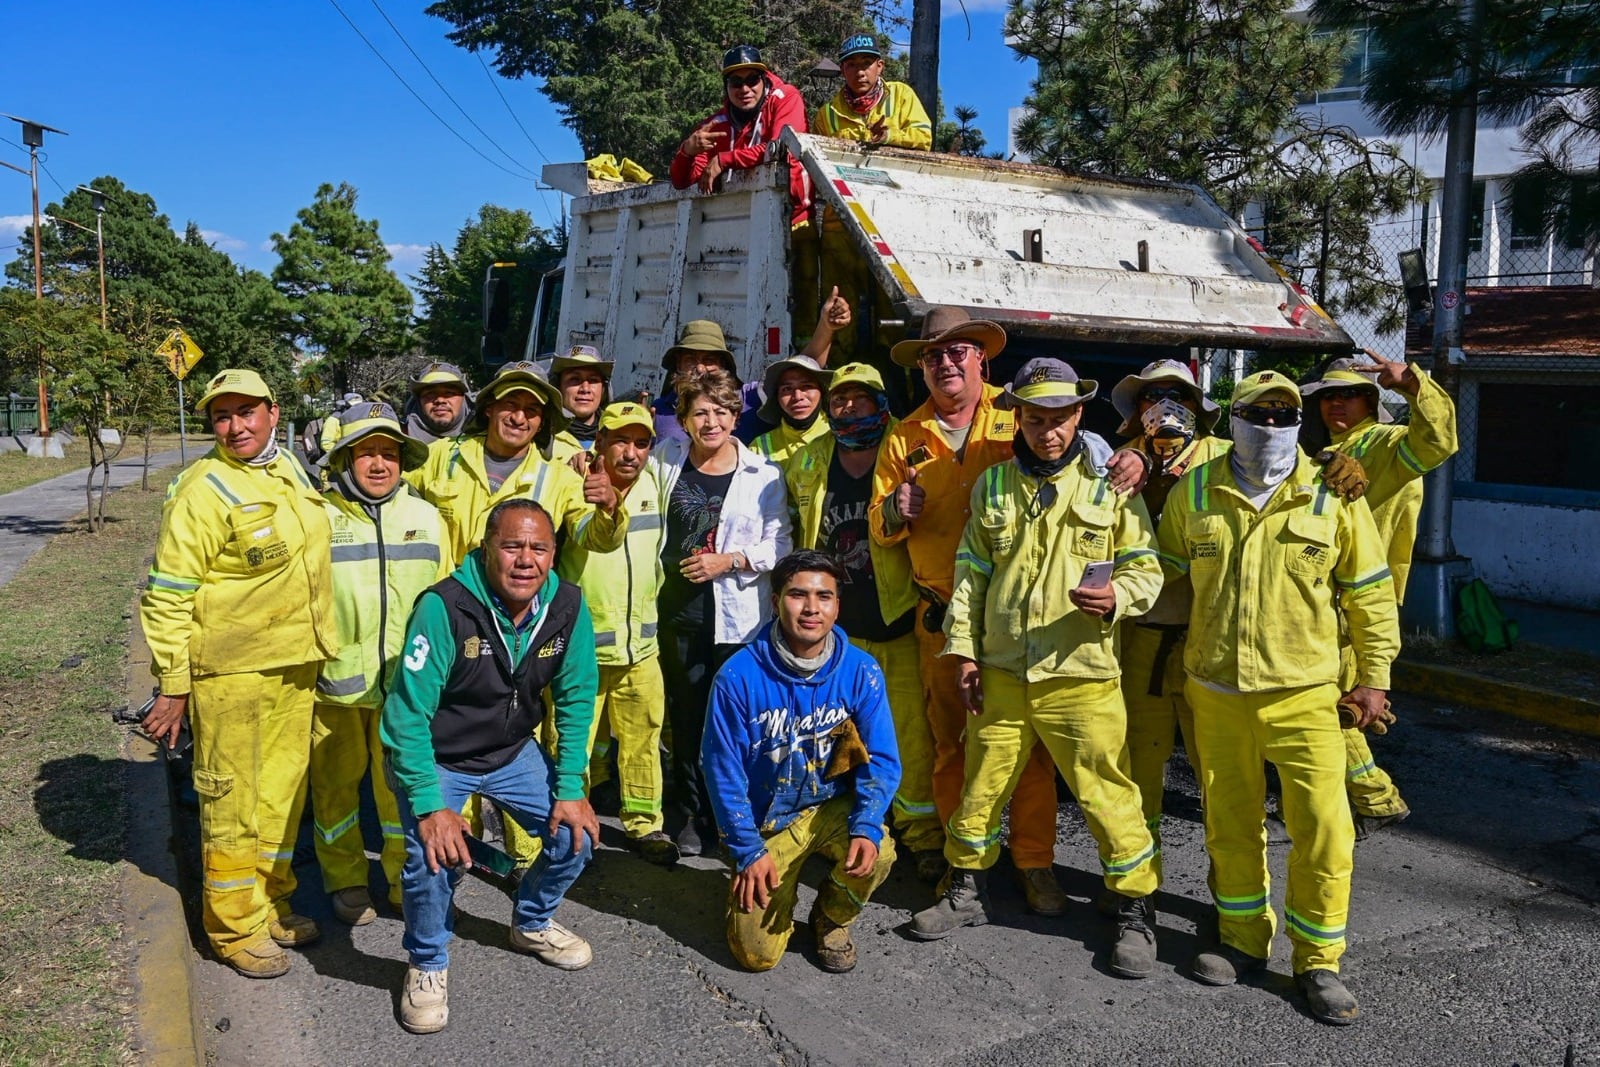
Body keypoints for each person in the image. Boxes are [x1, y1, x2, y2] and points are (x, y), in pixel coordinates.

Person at [870, 306, 1146, 916]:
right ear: (921, 367)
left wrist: (1138, 458)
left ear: (980, 359)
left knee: (1033, 756)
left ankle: (1032, 862)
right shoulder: (904, 435)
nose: (945, 363)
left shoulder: (1021, 407)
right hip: (946, 618)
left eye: (957, 351)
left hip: (1033, 626)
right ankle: (963, 864)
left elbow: (1092, 456)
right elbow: (878, 524)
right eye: (932, 355)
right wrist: (895, 510)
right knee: (956, 749)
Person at [1156, 370, 1400, 1025]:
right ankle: (1241, 938)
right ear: (1232, 419)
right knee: (1230, 821)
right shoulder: (1195, 490)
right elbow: (1159, 567)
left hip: (1307, 693)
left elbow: (1370, 591)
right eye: (1256, 414)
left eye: (1282, 415)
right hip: (1216, 691)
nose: (1269, 425)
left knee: (1324, 828)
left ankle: (1317, 960)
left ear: (1298, 422)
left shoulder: (1333, 490)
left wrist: (1374, 677)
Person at [911, 358, 1165, 981]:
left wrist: (1118, 596)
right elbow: (971, 575)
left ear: (1078, 416)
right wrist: (964, 652)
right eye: (1034, 420)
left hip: (1081, 674)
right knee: (980, 786)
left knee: (1107, 793)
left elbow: (1145, 566)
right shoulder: (993, 486)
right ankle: (966, 888)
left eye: (1059, 419)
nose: (1047, 432)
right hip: (1001, 672)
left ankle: (1135, 909)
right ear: (1017, 419)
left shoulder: (1111, 486)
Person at [139, 368, 337, 978]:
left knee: (281, 793)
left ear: (273, 413)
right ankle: (231, 927)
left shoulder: (288, 470)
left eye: (246, 412)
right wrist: (174, 684)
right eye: (221, 416)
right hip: (230, 673)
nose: (235, 426)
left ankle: (270, 901)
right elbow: (168, 595)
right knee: (231, 800)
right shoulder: (202, 490)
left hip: (294, 663)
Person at [381, 499, 603, 1034]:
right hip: (438, 756)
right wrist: (430, 806)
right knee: (433, 856)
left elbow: (576, 698)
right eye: (511, 546)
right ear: (486, 550)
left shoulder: (567, 606)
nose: (526, 560)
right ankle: (427, 961)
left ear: (553, 553)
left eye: (539, 548)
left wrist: (571, 788)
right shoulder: (443, 608)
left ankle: (531, 921)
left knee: (576, 836)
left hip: (510, 752)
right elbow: (406, 717)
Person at [702, 550, 901, 973]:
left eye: (824, 596)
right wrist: (747, 850)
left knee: (879, 850)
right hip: (767, 824)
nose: (812, 608)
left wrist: (867, 824)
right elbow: (722, 772)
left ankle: (831, 916)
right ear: (776, 602)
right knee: (756, 957)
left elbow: (882, 760)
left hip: (830, 808)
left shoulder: (861, 670)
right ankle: (771, 885)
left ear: (837, 606)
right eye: (798, 595)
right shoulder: (737, 678)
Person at [785, 361, 943, 881]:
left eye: (862, 398)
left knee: (909, 737)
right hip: (835, 631)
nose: (849, 407)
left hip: (895, 619)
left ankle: (921, 835)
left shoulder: (906, 448)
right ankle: (836, 829)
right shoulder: (809, 458)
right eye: (840, 399)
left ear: (882, 402)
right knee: (831, 736)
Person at [1301, 352, 1458, 838]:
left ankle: (1376, 799)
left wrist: (1412, 384)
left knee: (1322, 703)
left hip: (1357, 599)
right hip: (1330, 596)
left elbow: (1436, 441)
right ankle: (1365, 797)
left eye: (1350, 394)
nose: (1336, 403)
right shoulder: (1329, 449)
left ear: (1371, 402)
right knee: (1330, 701)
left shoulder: (1385, 443)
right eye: (1329, 395)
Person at [310, 402, 445, 925]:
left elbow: (445, 604)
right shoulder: (318, 517)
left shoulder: (427, 518)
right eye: (366, 452)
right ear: (345, 459)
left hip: (407, 692)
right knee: (335, 790)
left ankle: (401, 879)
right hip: (334, 687)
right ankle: (344, 878)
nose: (379, 463)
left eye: (388, 452)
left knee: (401, 793)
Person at [651, 368, 793, 856]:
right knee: (687, 713)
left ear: (735, 416)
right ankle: (692, 812)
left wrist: (729, 560)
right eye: (699, 413)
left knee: (735, 717)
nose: (710, 422)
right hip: (678, 610)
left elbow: (780, 544)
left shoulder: (763, 474)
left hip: (737, 617)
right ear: (684, 421)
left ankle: (731, 812)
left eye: (719, 411)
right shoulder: (664, 460)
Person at [1109, 360, 1227, 863]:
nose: (1163, 406)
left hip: (1208, 639)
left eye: (1177, 395)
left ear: (1198, 405)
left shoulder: (1228, 459)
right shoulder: (1118, 463)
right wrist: (1138, 463)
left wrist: (1332, 462)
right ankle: (1140, 878)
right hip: (1144, 637)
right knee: (1140, 760)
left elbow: (1283, 466)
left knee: (1218, 767)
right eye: (1151, 395)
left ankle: (1232, 878)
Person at [556, 401, 678, 866]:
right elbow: (592, 536)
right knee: (572, 745)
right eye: (620, 441)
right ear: (600, 442)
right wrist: (605, 503)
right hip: (583, 648)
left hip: (641, 647)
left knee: (643, 739)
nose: (631, 453)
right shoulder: (576, 482)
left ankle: (646, 824)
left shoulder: (656, 481)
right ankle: (573, 829)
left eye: (641, 443)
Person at [409, 360, 626, 570]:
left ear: (541, 422)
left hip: (518, 593)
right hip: (450, 591)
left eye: (532, 410)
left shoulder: (560, 479)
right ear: (489, 408)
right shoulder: (440, 455)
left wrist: (609, 507)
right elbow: (397, 502)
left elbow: (596, 540)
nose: (519, 418)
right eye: (510, 404)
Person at [651, 294, 851, 445]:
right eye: (690, 360)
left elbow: (804, 367)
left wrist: (826, 327)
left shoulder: (750, 399)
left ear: (723, 366)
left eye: (709, 360)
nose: (700, 368)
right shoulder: (658, 411)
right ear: (678, 365)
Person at [670, 45, 811, 227]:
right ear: (726, 86)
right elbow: (682, 182)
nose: (744, 89)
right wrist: (686, 152)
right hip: (741, 226)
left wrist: (724, 160)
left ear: (764, 79)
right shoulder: (715, 125)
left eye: (752, 80)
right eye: (736, 82)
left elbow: (781, 150)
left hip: (794, 221)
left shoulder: (785, 98)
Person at [810, 35, 933, 149]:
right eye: (851, 65)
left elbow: (924, 138)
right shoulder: (826, 115)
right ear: (842, 70)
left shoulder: (901, 95)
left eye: (866, 63)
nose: (860, 72)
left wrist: (889, 136)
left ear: (879, 66)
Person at [751, 354, 832, 470]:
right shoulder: (759, 448)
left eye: (807, 386)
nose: (797, 397)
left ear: (822, 392)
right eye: (787, 389)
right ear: (777, 398)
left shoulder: (840, 436)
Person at [548, 345, 613, 465]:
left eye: (593, 380)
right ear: (558, 387)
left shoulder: (616, 433)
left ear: (603, 390)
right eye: (574, 379)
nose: (585, 389)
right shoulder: (542, 435)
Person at [404, 362, 472, 444]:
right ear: (419, 401)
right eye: (430, 394)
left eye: (449, 393)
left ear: (463, 398)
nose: (440, 400)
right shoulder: (400, 438)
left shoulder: (483, 433)